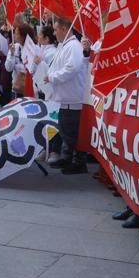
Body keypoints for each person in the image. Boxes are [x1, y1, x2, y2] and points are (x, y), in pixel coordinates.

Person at [44, 15, 92, 175]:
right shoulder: (64, 46)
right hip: (65, 98)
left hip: (73, 97)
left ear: (65, 29)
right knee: (66, 129)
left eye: (56, 29)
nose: (54, 32)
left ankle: (79, 161)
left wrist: (52, 77)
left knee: (73, 131)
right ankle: (67, 156)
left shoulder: (73, 47)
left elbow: (71, 69)